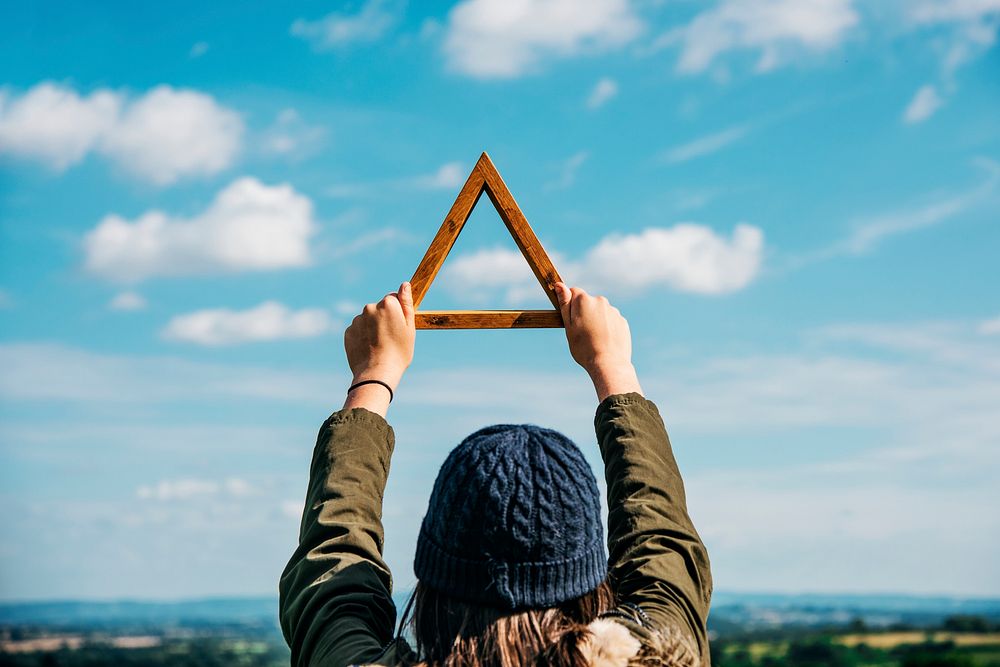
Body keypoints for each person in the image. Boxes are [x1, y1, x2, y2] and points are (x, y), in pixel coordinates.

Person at [279, 281, 712, 667]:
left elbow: (334, 561)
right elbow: (659, 538)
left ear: (434, 573)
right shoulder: (661, 654)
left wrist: (374, 375)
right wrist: (612, 365)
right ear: (589, 576)